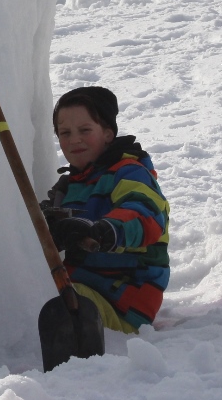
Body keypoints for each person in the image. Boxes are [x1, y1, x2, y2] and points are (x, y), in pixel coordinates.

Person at [41, 86, 170, 337]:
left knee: (64, 309)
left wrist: (104, 230)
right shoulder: (68, 187)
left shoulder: (129, 172)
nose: (74, 139)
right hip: (80, 285)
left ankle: (71, 372)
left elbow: (145, 212)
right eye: (65, 133)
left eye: (85, 130)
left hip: (122, 301)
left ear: (108, 133)